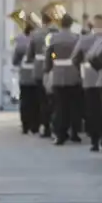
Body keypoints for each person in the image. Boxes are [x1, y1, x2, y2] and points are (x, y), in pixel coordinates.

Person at [43, 15, 83, 145]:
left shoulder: (54, 38)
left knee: (60, 106)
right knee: (74, 106)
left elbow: (51, 55)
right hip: (73, 73)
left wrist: (49, 67)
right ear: (71, 24)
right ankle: (75, 132)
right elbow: (79, 56)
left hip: (58, 73)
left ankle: (60, 134)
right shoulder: (76, 38)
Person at [72, 17, 102, 151]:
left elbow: (75, 58)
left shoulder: (85, 40)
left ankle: (94, 139)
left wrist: (81, 71)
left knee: (92, 110)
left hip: (90, 78)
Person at [26, 9, 59, 139]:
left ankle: (45, 127)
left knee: (42, 100)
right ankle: (55, 125)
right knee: (55, 101)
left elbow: (29, 55)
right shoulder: (56, 33)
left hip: (39, 69)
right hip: (55, 69)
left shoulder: (35, 35)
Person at [13, 23, 38, 134]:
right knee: (35, 101)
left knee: (24, 101)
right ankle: (34, 125)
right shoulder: (38, 42)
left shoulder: (20, 45)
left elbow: (14, 61)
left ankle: (25, 125)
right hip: (36, 75)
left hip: (24, 75)